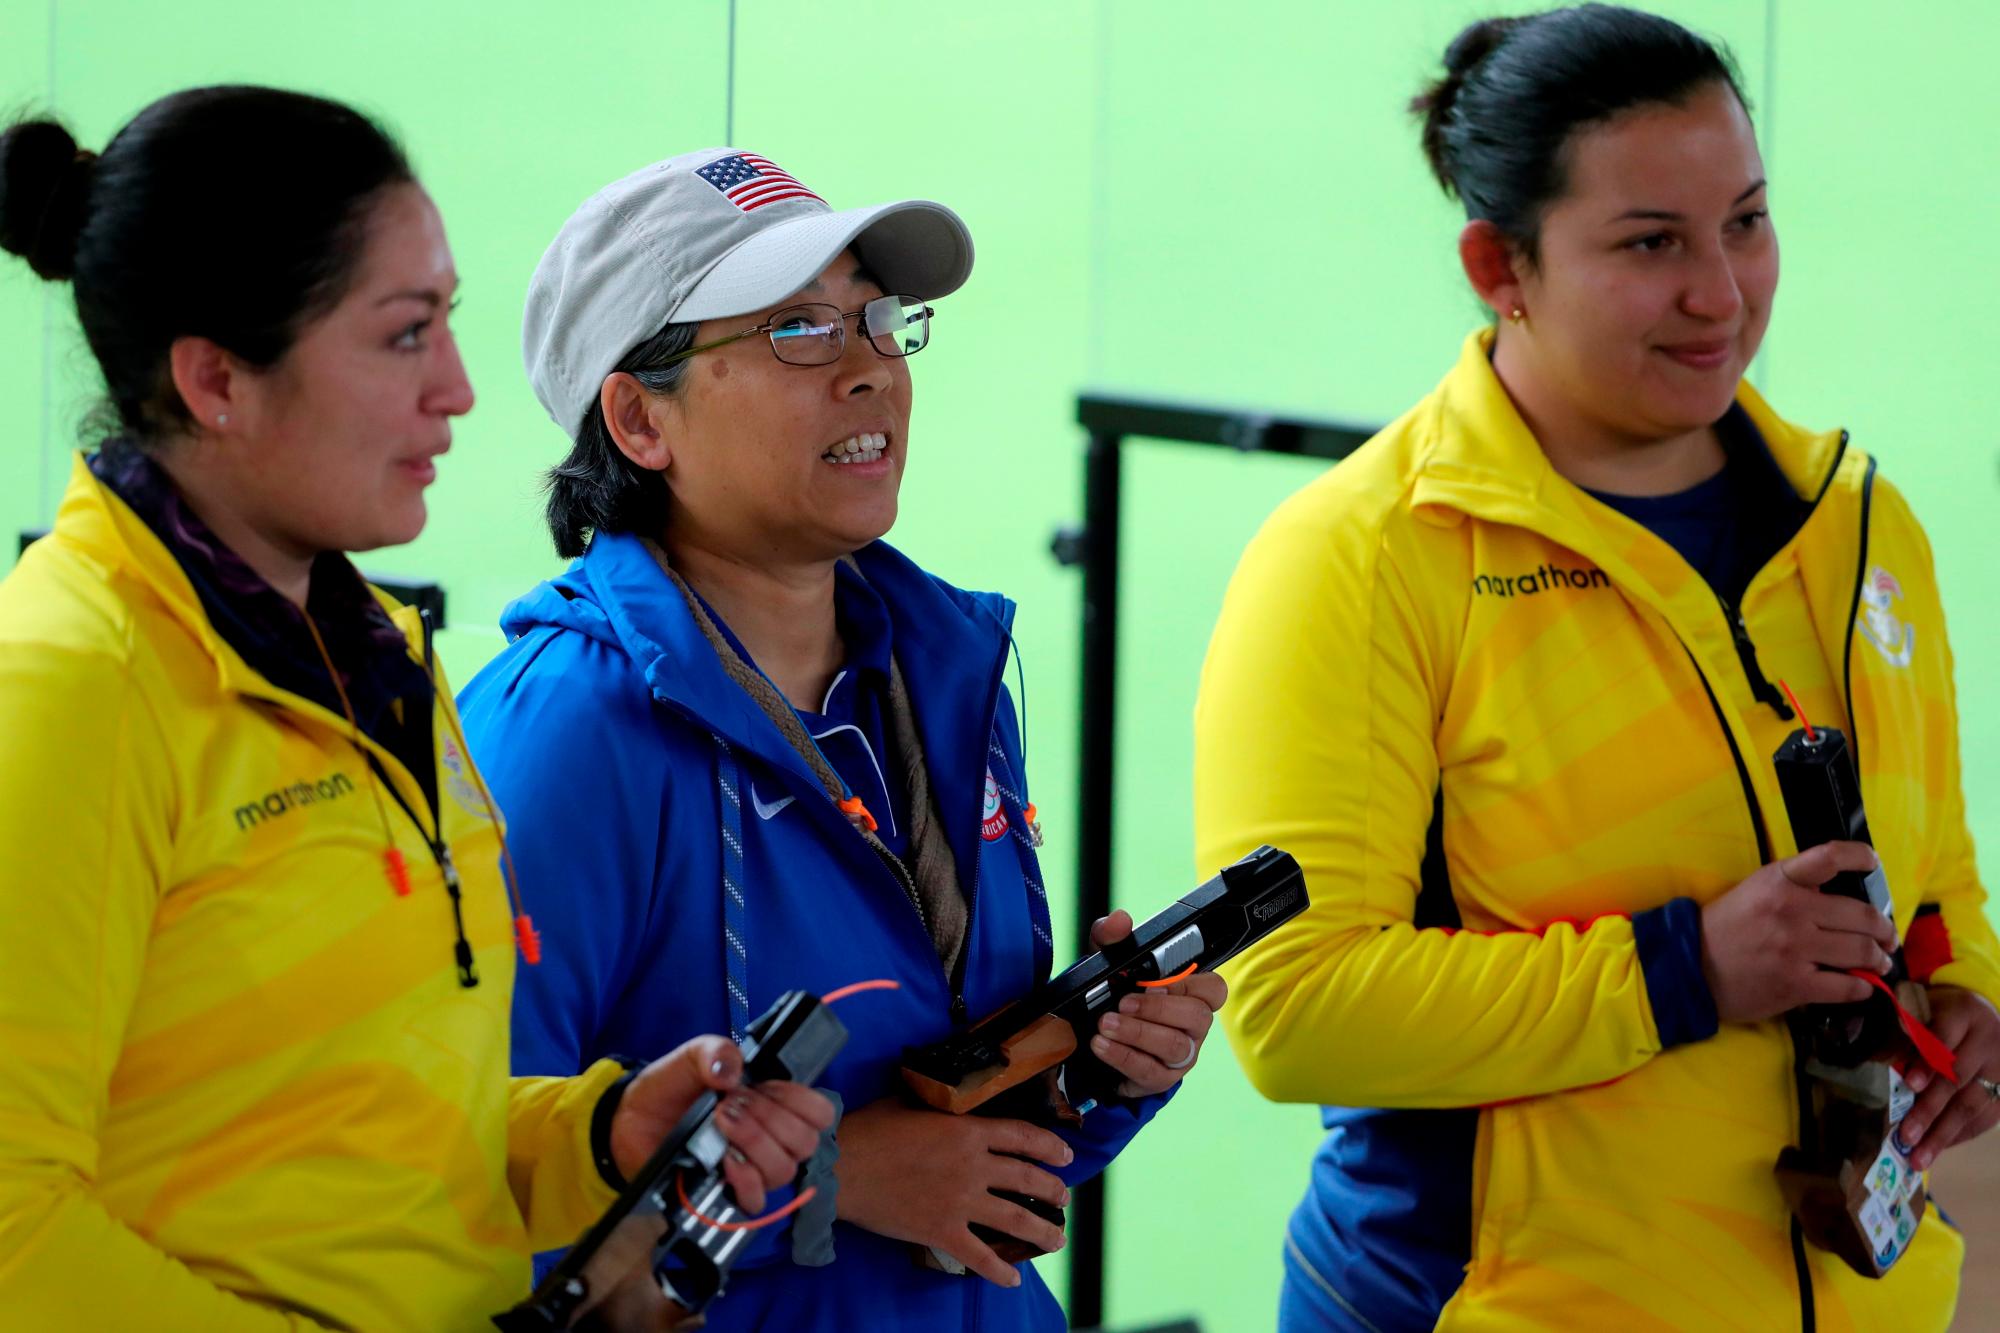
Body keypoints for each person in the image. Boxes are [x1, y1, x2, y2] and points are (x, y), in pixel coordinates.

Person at [1194, 7, 2000, 1329]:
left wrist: (1965, 1000)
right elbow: (1295, 1005)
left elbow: (1938, 877)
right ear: (1498, 264)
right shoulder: (1363, 557)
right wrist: (1686, 971)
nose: (1723, 292)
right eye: (1650, 244)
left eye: (1746, 220)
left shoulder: (1859, 523)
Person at [0, 89, 828, 1331]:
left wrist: (597, 1131)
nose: (457, 389)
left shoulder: (370, 651)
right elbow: (12, 1230)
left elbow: (372, 1122)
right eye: (402, 337)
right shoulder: (74, 685)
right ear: (216, 378)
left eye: (447, 324)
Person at [455, 147, 1228, 1331]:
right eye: (798, 331)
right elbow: (468, 1178)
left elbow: (965, 1155)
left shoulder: (938, 669)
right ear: (637, 417)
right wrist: (833, 1182)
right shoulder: (563, 728)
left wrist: (1095, 1071)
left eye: (876, 318)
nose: (870, 369)